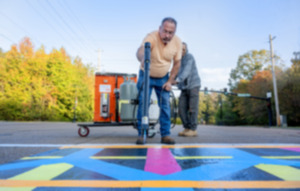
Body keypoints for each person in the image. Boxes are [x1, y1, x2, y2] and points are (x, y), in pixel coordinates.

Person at [135, 17, 182, 144]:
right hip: (146, 75)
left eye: (170, 33)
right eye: (165, 31)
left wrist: (170, 81)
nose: (167, 35)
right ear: (160, 28)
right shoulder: (152, 36)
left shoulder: (177, 42)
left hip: (163, 77)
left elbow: (177, 63)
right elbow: (140, 51)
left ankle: (165, 135)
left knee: (165, 105)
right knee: (143, 103)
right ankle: (141, 133)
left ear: (175, 32)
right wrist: (143, 58)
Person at [175, 42, 201, 137]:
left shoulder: (189, 57)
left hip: (193, 85)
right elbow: (174, 72)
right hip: (184, 87)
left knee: (192, 108)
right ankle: (187, 127)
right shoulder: (177, 61)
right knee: (181, 108)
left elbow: (186, 70)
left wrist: (178, 80)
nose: (182, 51)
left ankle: (193, 129)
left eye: (184, 49)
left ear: (186, 50)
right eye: (180, 49)